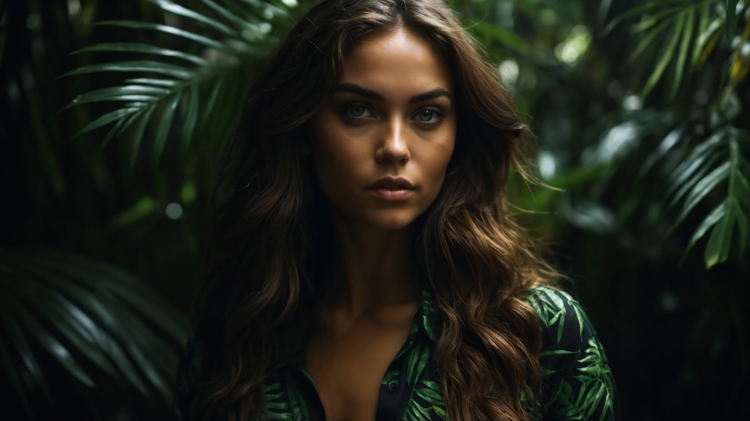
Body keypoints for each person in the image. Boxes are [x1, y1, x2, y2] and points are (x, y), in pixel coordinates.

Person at [177, 0, 616, 420]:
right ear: (304, 129)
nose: (394, 148)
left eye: (426, 114)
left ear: (458, 137)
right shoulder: (232, 340)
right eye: (358, 110)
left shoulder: (543, 335)